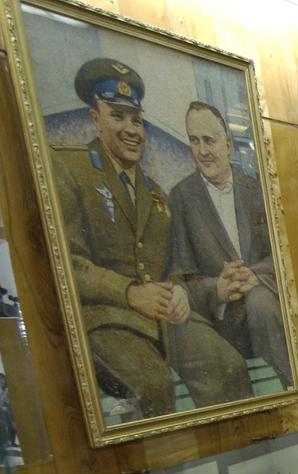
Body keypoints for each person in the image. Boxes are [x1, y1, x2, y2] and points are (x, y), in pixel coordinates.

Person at [51, 59, 250, 419]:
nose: (131, 130)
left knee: (228, 365)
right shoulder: (69, 169)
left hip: (163, 319)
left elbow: (171, 266)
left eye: (137, 120)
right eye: (118, 117)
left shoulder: (155, 193)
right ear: (95, 118)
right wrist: (129, 292)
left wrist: (178, 292)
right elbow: (66, 263)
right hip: (108, 318)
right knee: (151, 384)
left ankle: (237, 453)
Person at [167, 101, 292, 386]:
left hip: (267, 312)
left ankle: (290, 389)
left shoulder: (256, 190)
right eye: (194, 141)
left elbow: (284, 254)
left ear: (228, 145)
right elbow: (178, 276)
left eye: (209, 140)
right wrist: (217, 289)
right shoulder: (181, 198)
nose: (202, 151)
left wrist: (254, 275)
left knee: (260, 301)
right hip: (222, 324)